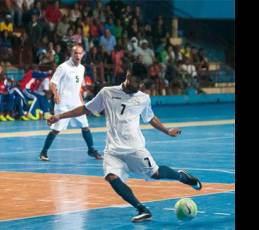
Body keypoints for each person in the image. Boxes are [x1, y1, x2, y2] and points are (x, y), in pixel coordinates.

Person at [47, 71, 202, 222]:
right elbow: (86, 108)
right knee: (111, 177)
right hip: (113, 149)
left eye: (141, 83)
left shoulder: (143, 98)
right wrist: (59, 116)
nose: (138, 85)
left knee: (155, 173)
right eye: (136, 81)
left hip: (134, 148)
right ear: (128, 76)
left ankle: (182, 176)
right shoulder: (107, 92)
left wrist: (167, 130)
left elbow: (150, 117)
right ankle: (142, 209)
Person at [38, 44, 102, 161]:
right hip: (63, 103)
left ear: (83, 55)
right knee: (56, 129)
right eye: (75, 53)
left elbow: (78, 88)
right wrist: (56, 94)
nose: (78, 55)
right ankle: (44, 152)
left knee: (85, 127)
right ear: (71, 54)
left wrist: (82, 103)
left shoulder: (82, 68)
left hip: (76, 103)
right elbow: (53, 83)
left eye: (80, 53)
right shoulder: (63, 67)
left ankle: (91, 150)